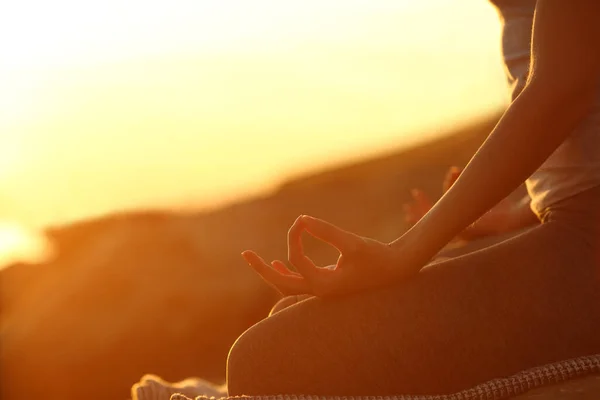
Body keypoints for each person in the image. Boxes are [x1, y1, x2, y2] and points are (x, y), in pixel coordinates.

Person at [232, 0, 600, 396]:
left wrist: (403, 253)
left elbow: (562, 89)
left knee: (271, 359)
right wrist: (520, 214)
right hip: (574, 229)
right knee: (290, 319)